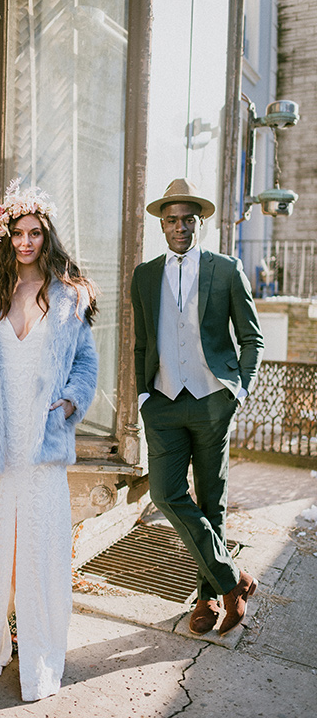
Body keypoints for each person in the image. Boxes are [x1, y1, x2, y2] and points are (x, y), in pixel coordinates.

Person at [0, 179, 98, 701]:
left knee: (41, 551)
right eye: (18, 232)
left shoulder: (67, 296)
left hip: (43, 439)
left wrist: (72, 399)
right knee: (0, 555)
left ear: (47, 235)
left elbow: (86, 361)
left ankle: (39, 659)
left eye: (35, 232)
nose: (26, 241)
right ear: (5, 234)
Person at [131, 178, 264, 637]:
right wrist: (144, 395)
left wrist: (239, 391)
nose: (180, 227)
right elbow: (142, 341)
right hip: (163, 403)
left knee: (212, 501)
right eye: (172, 220)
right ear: (161, 224)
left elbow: (251, 338)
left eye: (189, 219)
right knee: (166, 495)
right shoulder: (145, 275)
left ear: (199, 222)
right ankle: (234, 581)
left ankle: (206, 596)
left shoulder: (226, 269)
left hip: (212, 401)